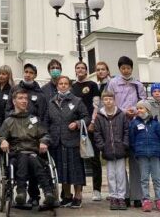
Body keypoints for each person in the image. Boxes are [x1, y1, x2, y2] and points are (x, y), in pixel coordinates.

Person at [0, 88, 56, 207]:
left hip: (34, 154)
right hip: (16, 155)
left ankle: (47, 193)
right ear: (14, 101)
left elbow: (46, 135)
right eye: (20, 98)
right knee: (24, 156)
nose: (24, 101)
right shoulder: (9, 121)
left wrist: (44, 141)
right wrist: (2, 140)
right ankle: (22, 193)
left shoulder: (34, 119)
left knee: (32, 158)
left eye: (26, 99)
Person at [107, 55, 147, 207]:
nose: (125, 70)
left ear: (131, 68)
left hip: (136, 124)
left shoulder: (138, 84)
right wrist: (124, 112)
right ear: (119, 69)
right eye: (123, 68)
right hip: (119, 124)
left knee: (136, 160)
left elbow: (144, 102)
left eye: (128, 68)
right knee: (119, 160)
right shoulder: (112, 83)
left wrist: (137, 111)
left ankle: (137, 195)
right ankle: (123, 194)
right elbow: (109, 102)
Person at [46, 76, 89, 209]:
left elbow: (86, 117)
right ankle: (66, 195)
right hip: (56, 141)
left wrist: (77, 123)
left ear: (69, 86)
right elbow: (46, 121)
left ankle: (78, 195)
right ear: (57, 86)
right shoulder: (51, 102)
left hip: (72, 141)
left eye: (66, 84)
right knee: (62, 171)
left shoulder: (77, 101)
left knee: (75, 170)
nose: (63, 86)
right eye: (60, 83)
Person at [129, 100, 160, 212]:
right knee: (144, 178)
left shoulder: (155, 124)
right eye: (138, 108)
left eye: (141, 108)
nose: (139, 110)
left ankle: (159, 200)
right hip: (142, 155)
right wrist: (136, 150)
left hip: (155, 154)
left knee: (156, 178)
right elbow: (132, 139)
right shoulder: (134, 123)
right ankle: (146, 200)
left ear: (148, 110)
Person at [94, 90, 130, 211]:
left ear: (114, 100)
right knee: (111, 175)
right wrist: (102, 146)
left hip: (120, 150)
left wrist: (125, 144)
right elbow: (97, 133)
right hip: (107, 150)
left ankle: (121, 197)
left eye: (110, 99)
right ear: (102, 101)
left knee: (121, 175)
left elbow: (126, 131)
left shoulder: (121, 115)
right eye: (106, 99)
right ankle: (113, 197)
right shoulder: (99, 116)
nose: (108, 101)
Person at [71, 61, 102, 202]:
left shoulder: (93, 85)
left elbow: (96, 105)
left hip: (90, 125)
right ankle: (79, 191)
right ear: (75, 70)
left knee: (94, 158)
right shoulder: (72, 86)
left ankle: (97, 190)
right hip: (77, 126)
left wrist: (93, 122)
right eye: (78, 68)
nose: (80, 70)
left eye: (83, 68)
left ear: (86, 70)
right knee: (78, 159)